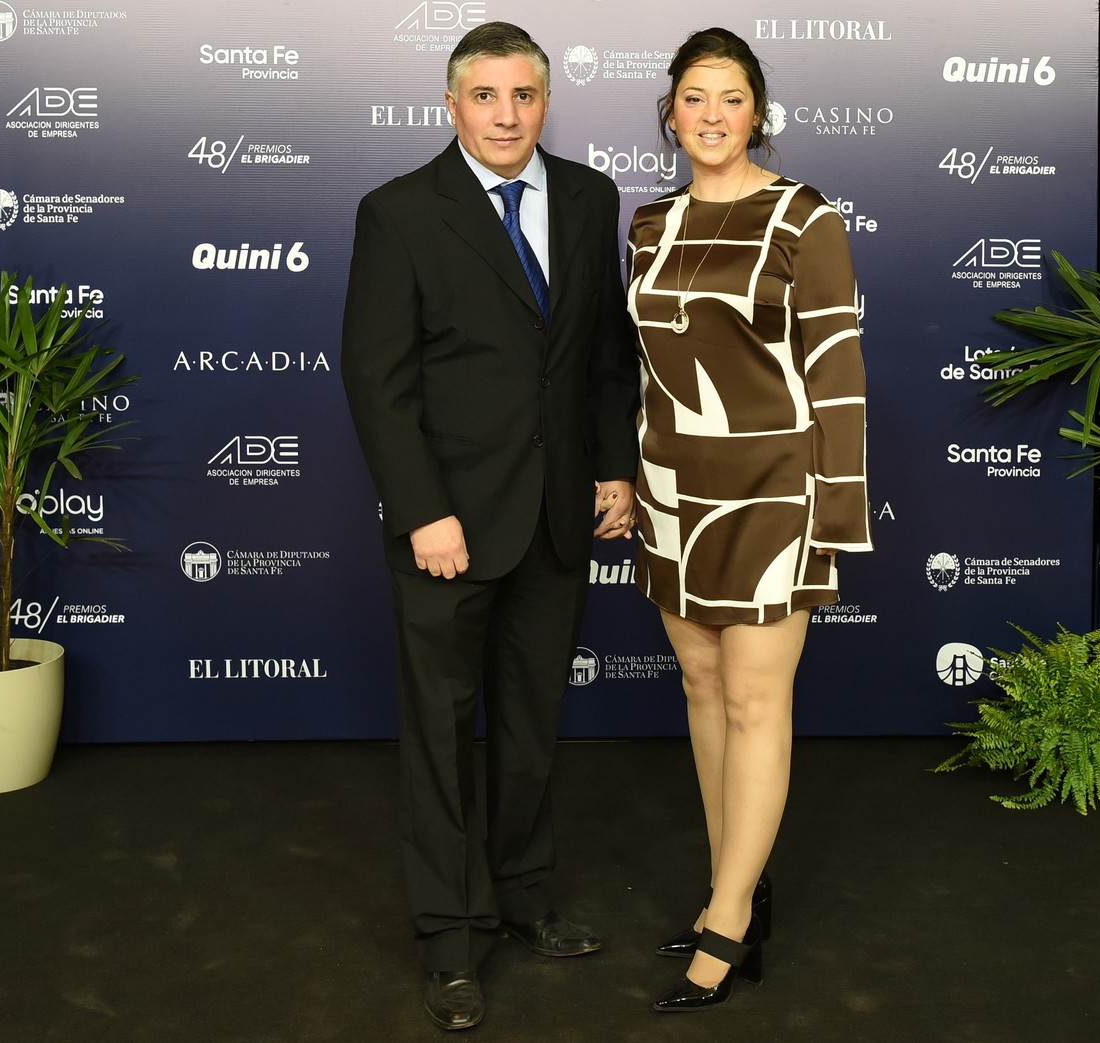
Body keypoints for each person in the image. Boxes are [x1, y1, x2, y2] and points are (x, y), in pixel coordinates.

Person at [340, 21, 640, 1033]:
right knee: (439, 736)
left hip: (556, 519)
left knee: (528, 728)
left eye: (523, 95)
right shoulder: (397, 213)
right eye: (485, 95)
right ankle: (448, 937)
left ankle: (520, 898)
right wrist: (424, 508)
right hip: (447, 527)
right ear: (451, 103)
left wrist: (611, 465)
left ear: (544, 101)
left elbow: (602, 351)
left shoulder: (593, 199)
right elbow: (378, 382)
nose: (506, 115)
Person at [625, 26, 870, 1012]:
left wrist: (833, 515)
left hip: (775, 487)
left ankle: (725, 919)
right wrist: (627, 480)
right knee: (700, 683)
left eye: (729, 97)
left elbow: (838, 380)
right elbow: (643, 371)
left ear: (756, 111)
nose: (711, 115)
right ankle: (738, 878)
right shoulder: (648, 223)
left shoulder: (803, 220)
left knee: (756, 701)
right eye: (693, 98)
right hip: (672, 487)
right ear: (669, 113)